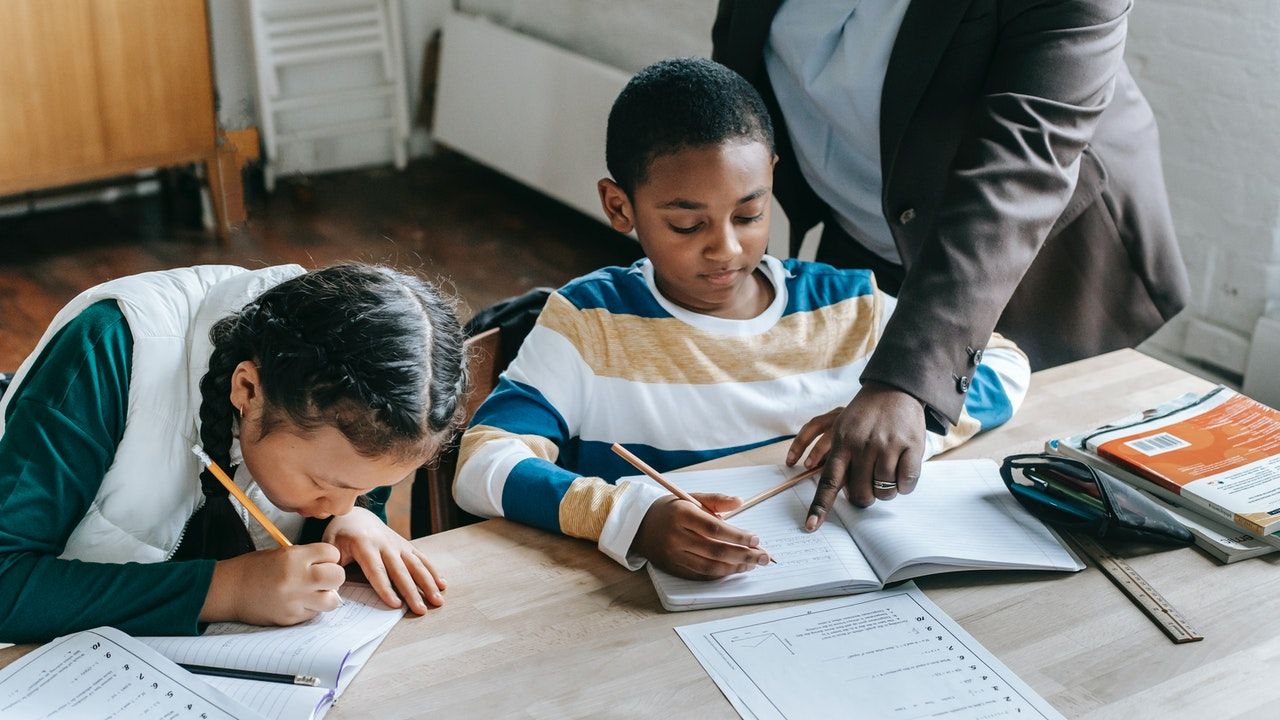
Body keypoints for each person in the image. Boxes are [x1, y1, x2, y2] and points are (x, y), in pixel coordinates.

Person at [453, 58, 1031, 580]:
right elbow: (484, 460)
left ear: (772, 178)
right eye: (687, 225)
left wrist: (902, 424)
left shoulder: (845, 303)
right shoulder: (590, 323)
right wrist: (629, 517)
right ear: (619, 206)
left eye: (750, 213)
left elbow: (1003, 363)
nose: (725, 248)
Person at [712, 0, 1190, 524]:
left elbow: (1018, 172)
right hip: (861, 227)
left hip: (1038, 263)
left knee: (1026, 499)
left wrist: (907, 382)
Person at [0, 263, 467, 643]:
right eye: (326, 486)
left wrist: (352, 522)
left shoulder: (357, 402)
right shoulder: (108, 348)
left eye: (371, 489)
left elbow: (347, 495)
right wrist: (224, 591)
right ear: (246, 389)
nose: (345, 501)